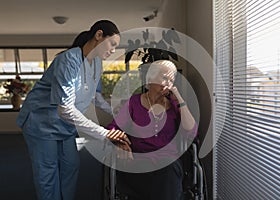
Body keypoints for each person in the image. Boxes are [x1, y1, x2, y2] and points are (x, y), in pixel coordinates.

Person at [16, 20, 130, 200]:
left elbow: (95, 96)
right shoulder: (68, 60)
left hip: (65, 125)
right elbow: (65, 109)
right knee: (48, 171)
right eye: (112, 44)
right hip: (41, 122)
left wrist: (119, 114)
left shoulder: (97, 63)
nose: (113, 50)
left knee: (71, 165)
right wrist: (103, 132)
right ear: (98, 35)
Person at [107, 60, 198, 200]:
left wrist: (179, 99)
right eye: (164, 78)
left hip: (168, 165)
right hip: (139, 163)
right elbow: (113, 128)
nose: (168, 83)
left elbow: (191, 132)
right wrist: (120, 143)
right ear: (150, 79)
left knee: (168, 170)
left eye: (171, 80)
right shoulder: (134, 103)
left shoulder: (175, 106)